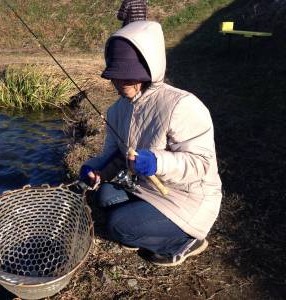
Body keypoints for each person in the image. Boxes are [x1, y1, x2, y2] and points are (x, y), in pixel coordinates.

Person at [79, 21, 222, 266]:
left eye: (130, 74)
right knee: (104, 196)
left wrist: (157, 162)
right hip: (147, 189)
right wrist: (96, 170)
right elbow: (114, 156)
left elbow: (201, 163)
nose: (123, 82)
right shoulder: (116, 111)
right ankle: (145, 220)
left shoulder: (182, 105)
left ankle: (185, 242)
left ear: (150, 69)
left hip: (187, 198)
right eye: (117, 75)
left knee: (119, 227)